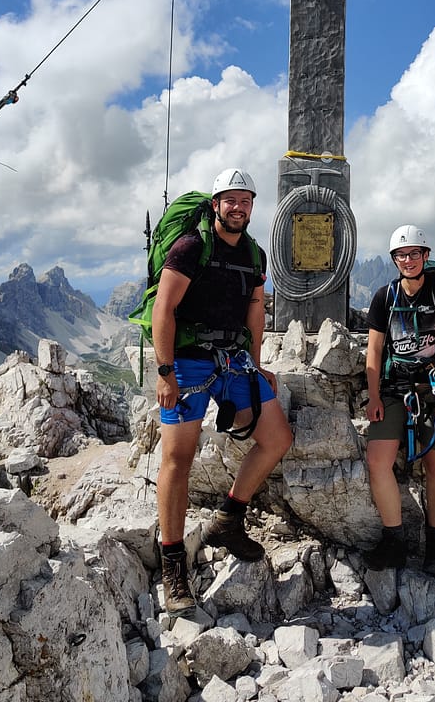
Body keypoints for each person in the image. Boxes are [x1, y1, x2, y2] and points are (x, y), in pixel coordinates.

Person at [153, 168, 293, 615]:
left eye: (246, 200)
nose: (238, 207)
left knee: (276, 438)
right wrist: (164, 372)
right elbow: (165, 307)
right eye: (230, 200)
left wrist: (257, 361)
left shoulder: (254, 254)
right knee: (179, 456)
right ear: (215, 205)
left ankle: (227, 520)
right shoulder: (191, 247)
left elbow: (256, 310)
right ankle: (172, 562)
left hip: (233, 358)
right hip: (190, 358)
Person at [364, 224, 435, 576]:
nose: (408, 260)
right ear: (394, 260)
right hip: (395, 388)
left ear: (426, 257)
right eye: (401, 255)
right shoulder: (385, 297)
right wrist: (374, 395)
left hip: (434, 388)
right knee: (378, 461)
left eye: (414, 254)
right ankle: (394, 540)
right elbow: (375, 349)